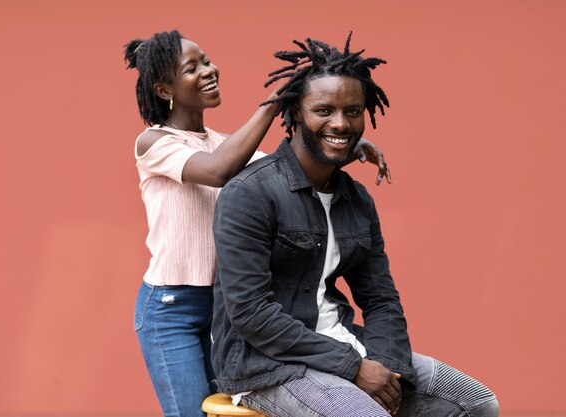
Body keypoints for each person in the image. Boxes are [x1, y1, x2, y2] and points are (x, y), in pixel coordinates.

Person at [211, 33, 500, 417]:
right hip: (267, 365)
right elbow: (250, 312)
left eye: (352, 111)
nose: (340, 123)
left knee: (476, 403)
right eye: (324, 110)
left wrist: (387, 364)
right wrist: (354, 368)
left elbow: (380, 298)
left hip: (348, 346)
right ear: (297, 112)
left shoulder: (357, 199)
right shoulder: (251, 193)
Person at [123, 30, 391, 417]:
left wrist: (345, 146)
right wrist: (278, 101)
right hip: (172, 307)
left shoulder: (224, 142)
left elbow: (286, 169)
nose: (209, 70)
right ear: (165, 90)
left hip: (226, 304)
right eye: (192, 68)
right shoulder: (154, 143)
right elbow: (217, 171)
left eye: (208, 60)